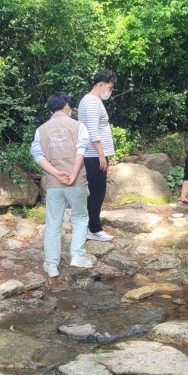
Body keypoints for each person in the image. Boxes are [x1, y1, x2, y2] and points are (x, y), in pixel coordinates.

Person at [30, 93, 92, 278]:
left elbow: (37, 155)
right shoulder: (79, 126)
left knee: (53, 223)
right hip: (77, 181)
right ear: (67, 106)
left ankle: (51, 264)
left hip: (53, 183)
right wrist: (72, 173)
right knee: (80, 217)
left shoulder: (41, 130)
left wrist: (56, 173)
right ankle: (77, 256)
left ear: (50, 109)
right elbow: (81, 150)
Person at [78, 69, 117, 241]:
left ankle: (89, 225)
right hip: (94, 155)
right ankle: (93, 229)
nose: (110, 91)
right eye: (109, 87)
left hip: (93, 154)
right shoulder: (92, 102)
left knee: (94, 191)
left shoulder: (90, 101)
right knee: (97, 192)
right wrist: (102, 155)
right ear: (100, 84)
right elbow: (93, 131)